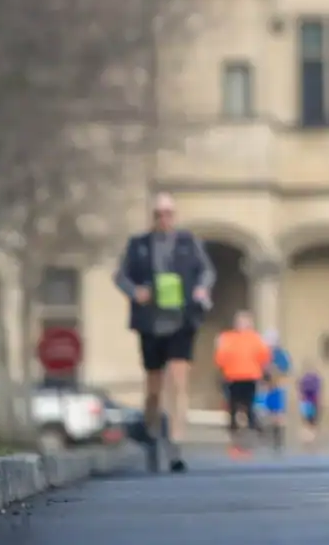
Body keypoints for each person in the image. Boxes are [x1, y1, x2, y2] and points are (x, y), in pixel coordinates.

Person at [112, 192, 215, 473]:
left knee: (179, 382)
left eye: (169, 214)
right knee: (154, 387)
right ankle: (152, 433)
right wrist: (135, 292)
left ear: (175, 216)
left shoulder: (188, 243)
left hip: (182, 319)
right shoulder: (138, 245)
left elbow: (207, 271)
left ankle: (176, 445)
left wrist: (201, 288)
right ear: (153, 217)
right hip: (151, 322)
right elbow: (120, 276)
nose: (164, 219)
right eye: (159, 214)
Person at [214, 310, 270, 458]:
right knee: (233, 409)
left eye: (245, 321)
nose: (243, 324)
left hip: (250, 377)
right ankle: (236, 440)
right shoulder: (228, 338)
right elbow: (220, 358)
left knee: (249, 408)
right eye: (240, 321)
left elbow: (264, 357)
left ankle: (252, 437)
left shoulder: (255, 338)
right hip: (232, 377)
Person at [297, 366, 322, 444]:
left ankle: (308, 437)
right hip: (311, 401)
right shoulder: (315, 379)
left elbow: (301, 390)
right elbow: (317, 390)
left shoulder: (304, 379)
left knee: (308, 419)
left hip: (307, 402)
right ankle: (310, 437)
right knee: (312, 420)